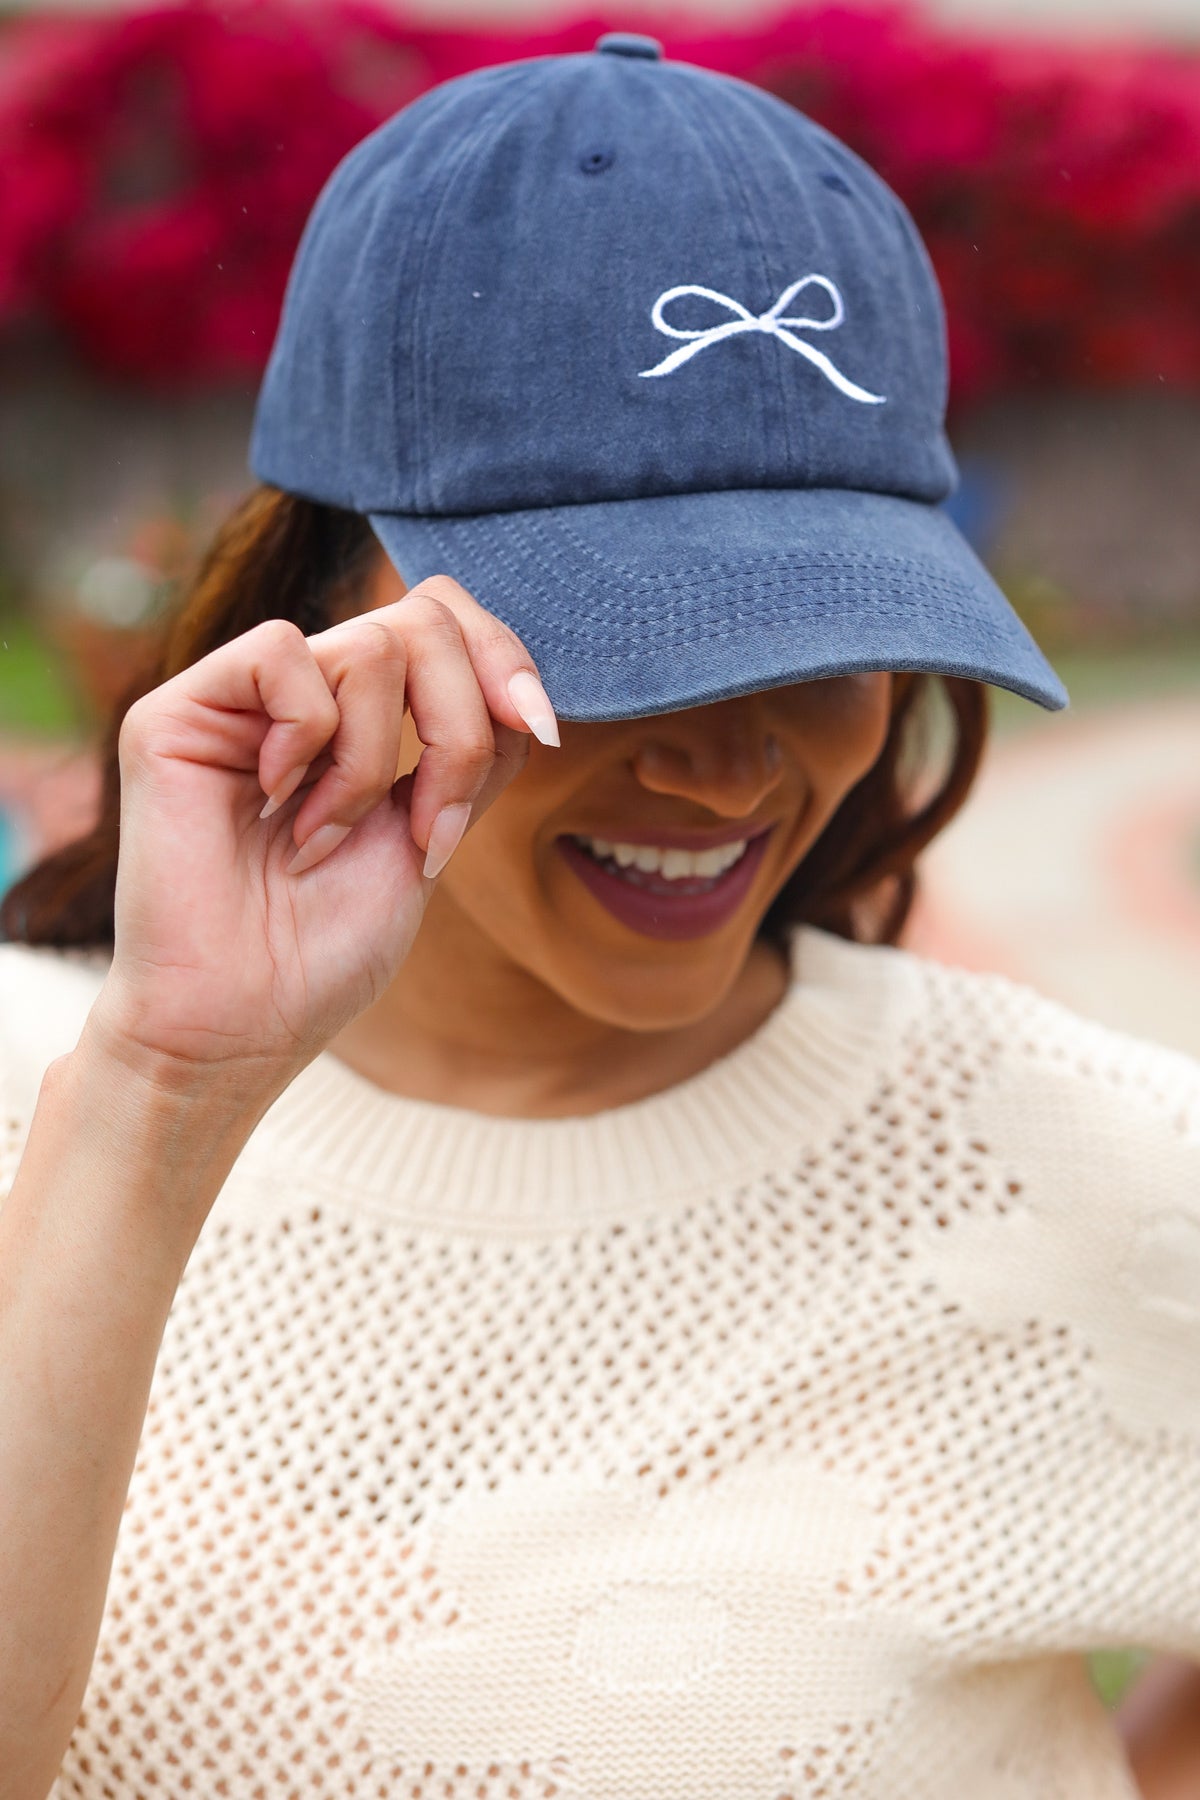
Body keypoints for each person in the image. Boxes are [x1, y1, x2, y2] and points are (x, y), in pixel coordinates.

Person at [1, 34, 1197, 1800]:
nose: (726, 772)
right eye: (612, 640)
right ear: (328, 598)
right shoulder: (53, 1088)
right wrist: (166, 1091)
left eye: (817, 632)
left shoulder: (1082, 1165)